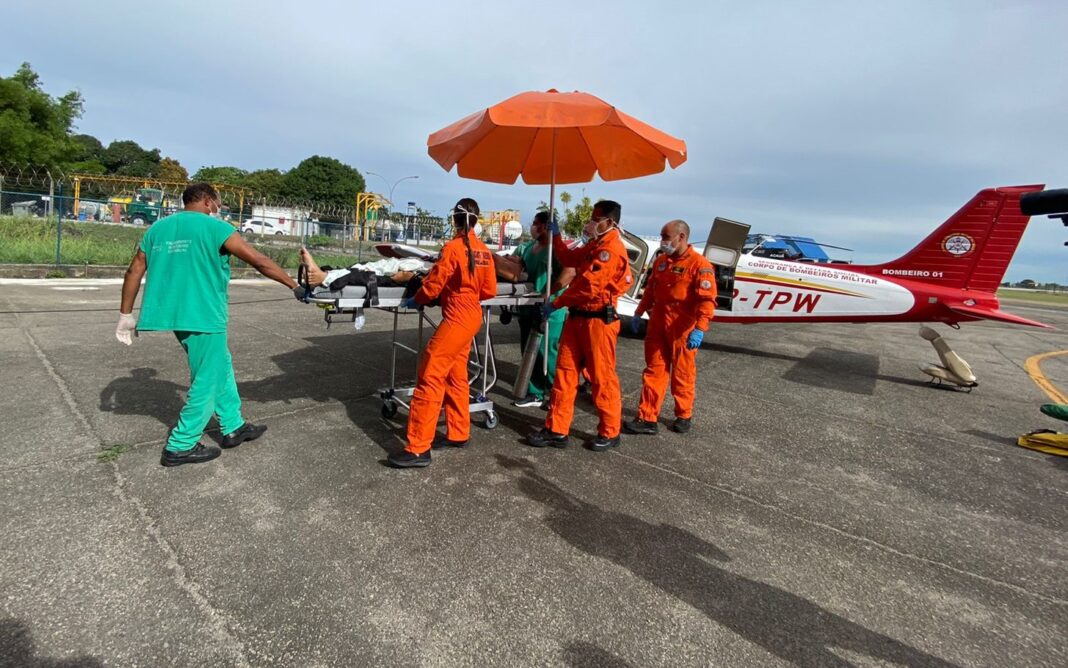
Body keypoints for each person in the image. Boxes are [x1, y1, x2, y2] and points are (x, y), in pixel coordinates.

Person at [116, 183, 303, 467]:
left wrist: (125, 315)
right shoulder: (216, 228)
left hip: (175, 314)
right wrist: (294, 284)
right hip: (204, 313)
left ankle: (233, 426)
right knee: (207, 378)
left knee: (220, 365)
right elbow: (259, 261)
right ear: (206, 201)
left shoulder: (157, 229)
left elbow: (134, 270)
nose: (218, 208)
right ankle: (181, 444)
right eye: (217, 203)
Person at [387, 198, 497, 468]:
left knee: (430, 373)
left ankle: (417, 448)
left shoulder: (453, 248)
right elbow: (490, 291)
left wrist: (419, 298)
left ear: (455, 220)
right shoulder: (483, 251)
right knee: (456, 375)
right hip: (472, 315)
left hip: (458, 317)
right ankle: (459, 432)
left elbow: (433, 286)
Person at [527, 200, 633, 452]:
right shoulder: (594, 246)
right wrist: (557, 236)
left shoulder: (611, 250)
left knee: (601, 377)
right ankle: (557, 429)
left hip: (598, 321)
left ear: (610, 222)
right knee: (564, 374)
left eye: (596, 218)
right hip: (577, 319)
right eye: (592, 217)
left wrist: (557, 302)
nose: (591, 222)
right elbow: (568, 258)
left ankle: (610, 430)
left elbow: (589, 287)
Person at [623, 220, 717, 436]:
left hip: (682, 327)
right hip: (658, 323)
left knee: (682, 374)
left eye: (666, 237)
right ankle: (647, 418)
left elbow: (707, 301)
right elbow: (650, 290)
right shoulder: (661, 262)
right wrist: (639, 312)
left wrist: (700, 328)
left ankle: (684, 414)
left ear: (681, 237)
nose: (663, 241)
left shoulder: (699, 265)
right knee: (653, 370)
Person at [494, 212, 576, 409]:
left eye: (537, 224)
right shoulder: (530, 248)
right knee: (529, 352)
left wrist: (551, 292)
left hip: (550, 309)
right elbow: (517, 264)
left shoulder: (556, 250)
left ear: (548, 226)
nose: (533, 227)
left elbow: (570, 271)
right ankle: (535, 392)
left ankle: (558, 394)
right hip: (528, 308)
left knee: (548, 354)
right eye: (533, 223)